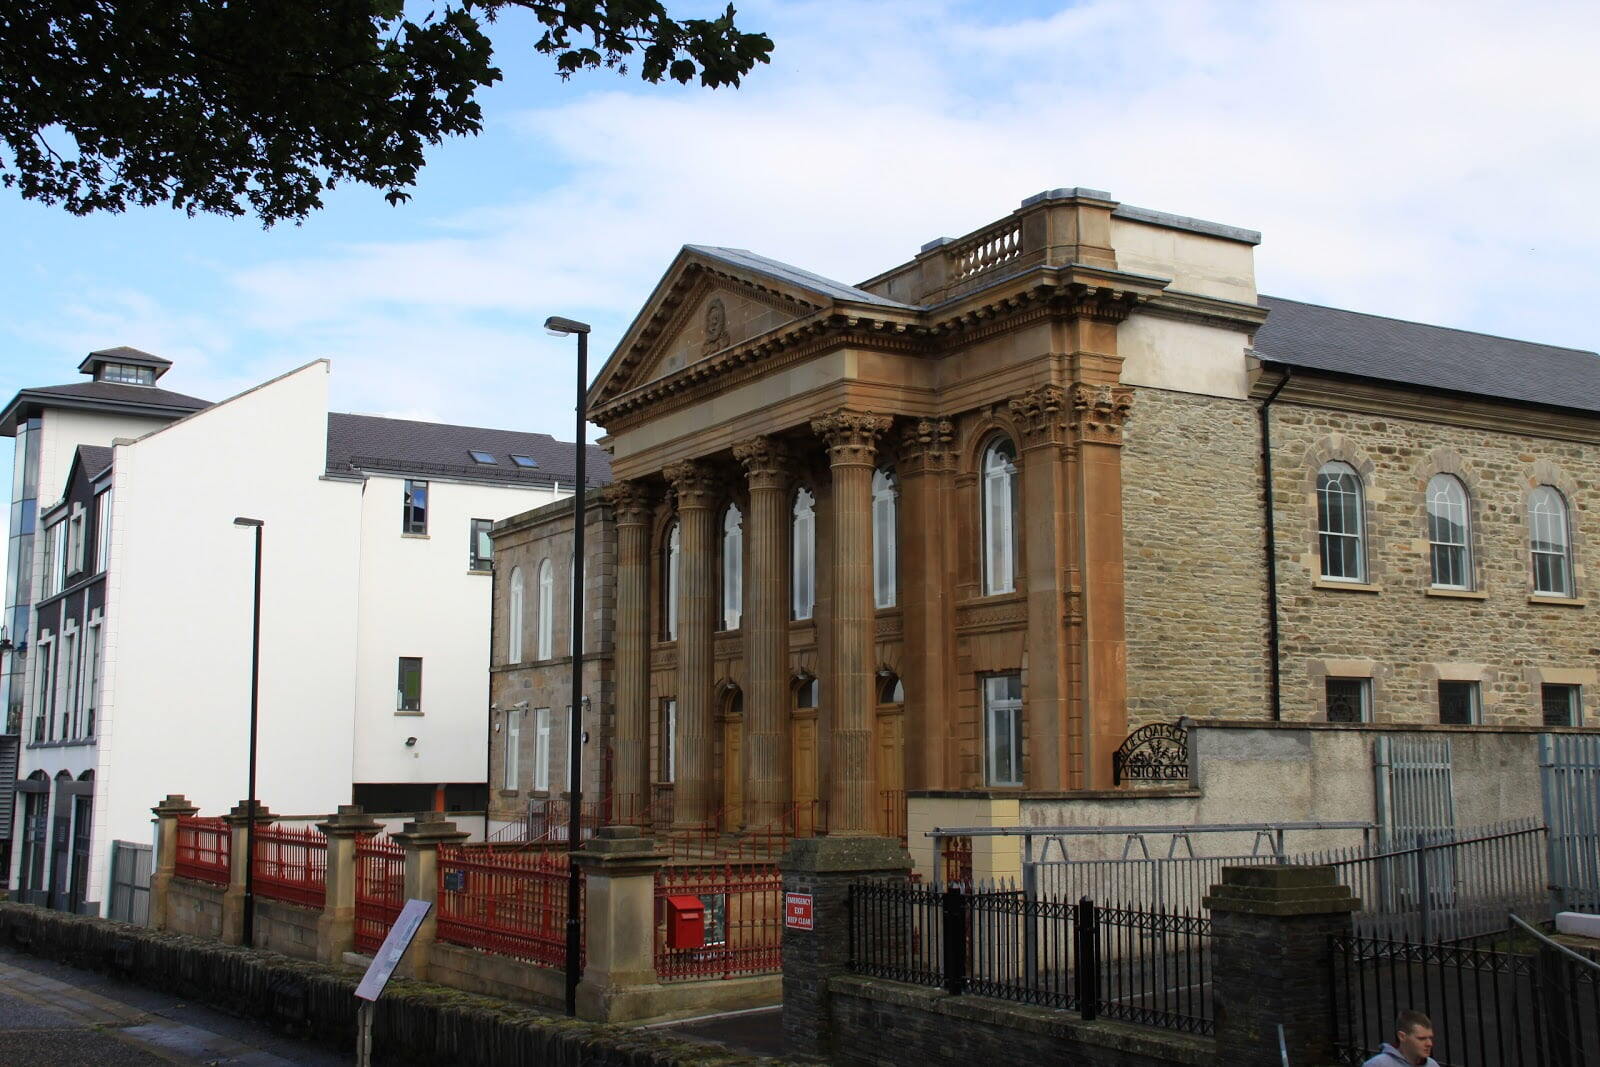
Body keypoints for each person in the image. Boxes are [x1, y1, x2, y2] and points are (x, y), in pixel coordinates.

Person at [1364, 1010, 1438, 1066]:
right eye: (1421, 1039)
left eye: (1430, 1038)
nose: (1429, 1044)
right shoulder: (1378, 1064)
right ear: (1402, 1036)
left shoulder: (1432, 1064)